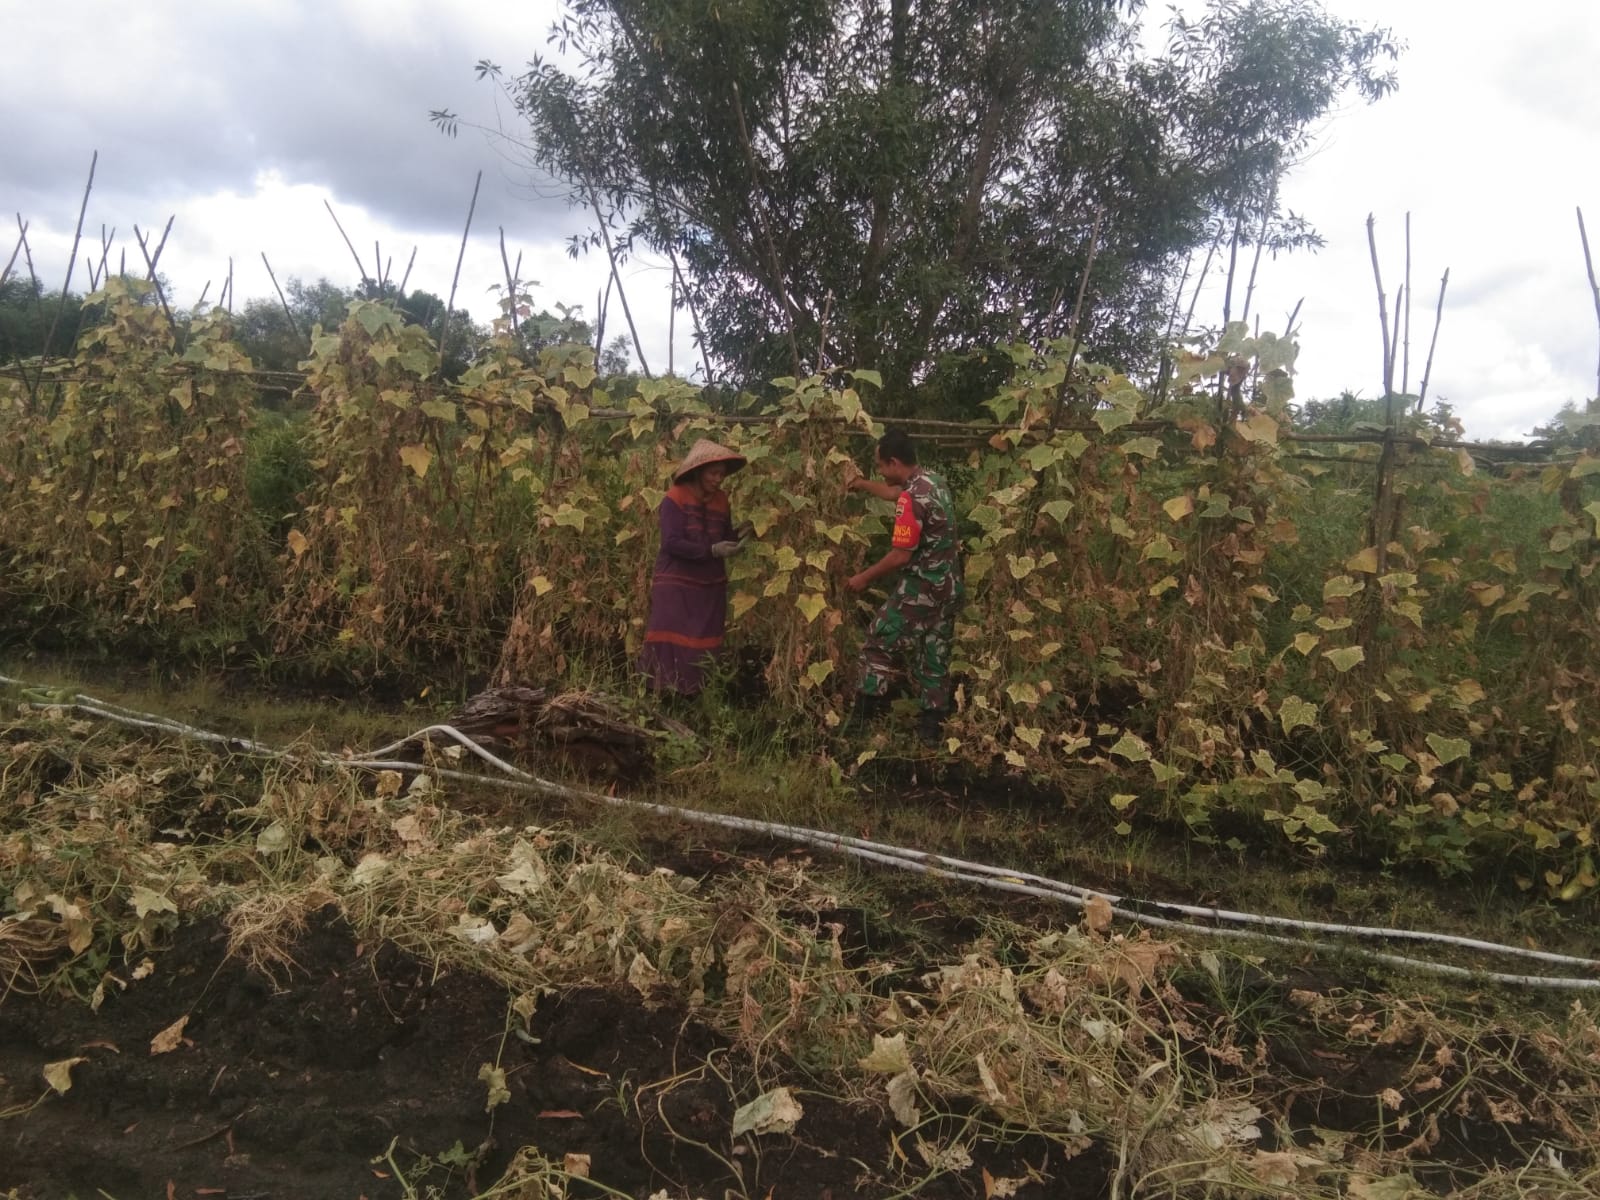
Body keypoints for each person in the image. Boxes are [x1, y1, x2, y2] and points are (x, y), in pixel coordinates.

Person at [844, 429, 964, 745]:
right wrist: (861, 485)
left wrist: (863, 578)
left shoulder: (911, 498)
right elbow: (893, 493)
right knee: (934, 651)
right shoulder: (933, 482)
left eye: (881, 467)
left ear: (894, 462)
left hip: (922, 589)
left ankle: (860, 722)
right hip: (948, 587)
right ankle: (931, 729)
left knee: (877, 640)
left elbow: (900, 556)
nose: (880, 473)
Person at [640, 439, 752, 697]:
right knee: (669, 638)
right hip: (675, 582)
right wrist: (711, 550)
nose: (718, 479)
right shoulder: (675, 497)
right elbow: (670, 542)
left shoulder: (721, 500)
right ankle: (659, 697)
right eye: (713, 473)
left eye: (722, 474)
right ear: (698, 470)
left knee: (703, 642)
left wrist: (740, 535)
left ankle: (692, 697)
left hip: (709, 584)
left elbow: (723, 536)